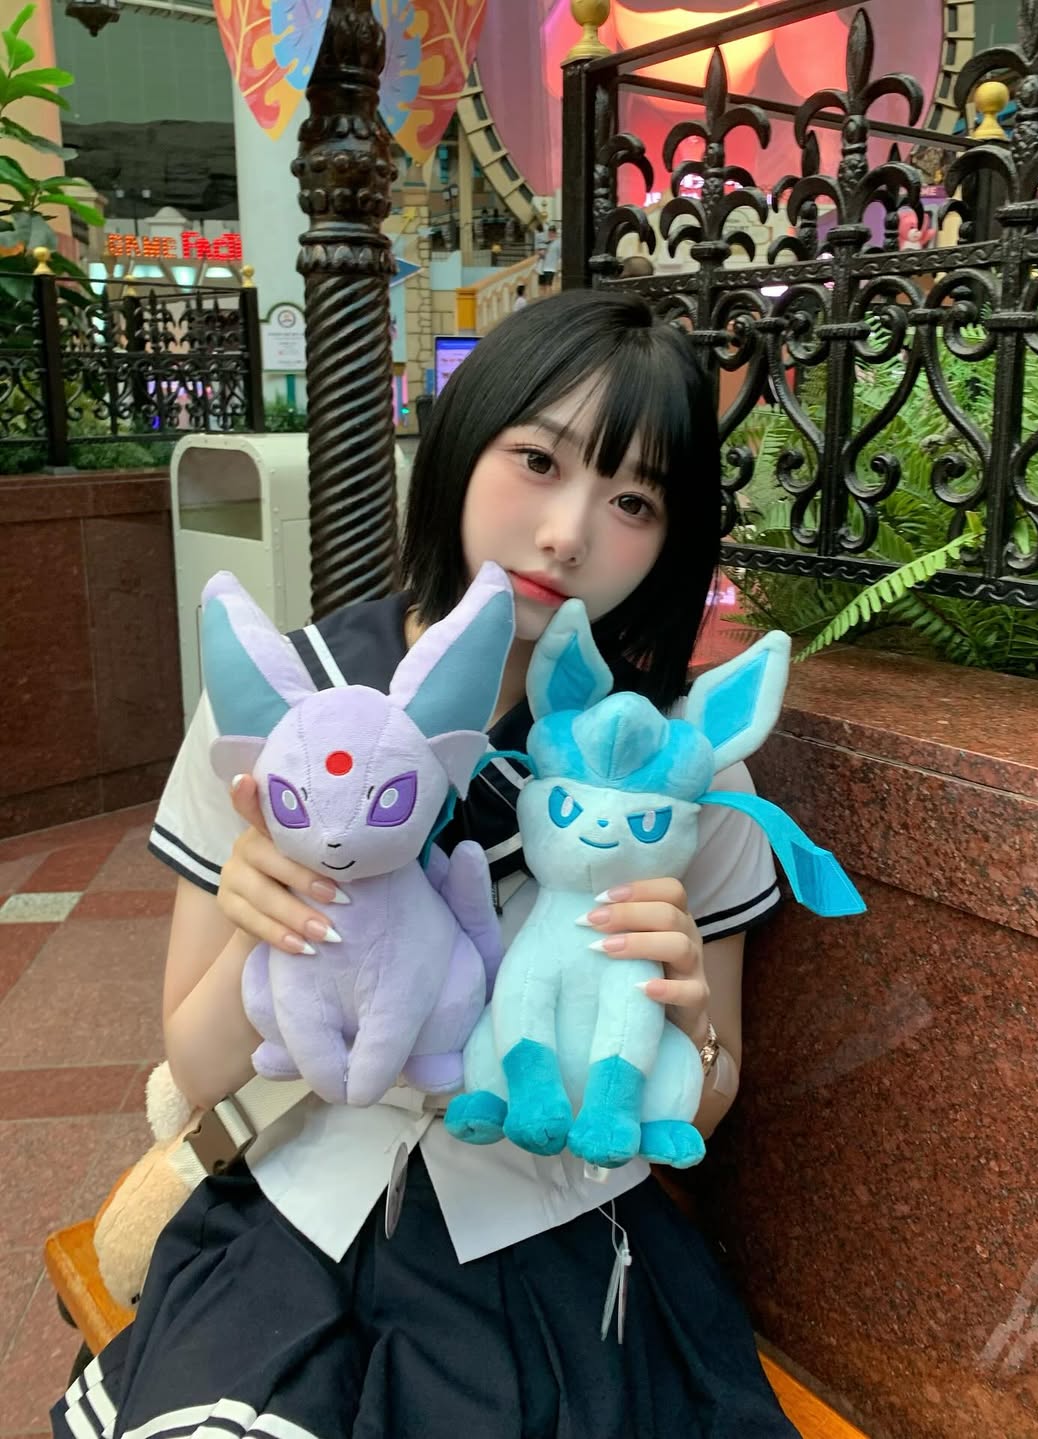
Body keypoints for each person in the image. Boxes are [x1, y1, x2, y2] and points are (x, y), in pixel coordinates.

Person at [54, 291, 796, 1439]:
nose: (568, 532)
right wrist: (262, 914)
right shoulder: (280, 709)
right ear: (460, 443)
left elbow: (712, 1090)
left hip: (544, 1235)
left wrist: (688, 1015)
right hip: (298, 1210)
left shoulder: (682, 770)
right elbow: (198, 1067)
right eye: (538, 460)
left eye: (633, 501)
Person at [538, 224, 561, 292]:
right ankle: (543, 298)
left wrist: (558, 268)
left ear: (555, 233)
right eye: (549, 232)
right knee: (541, 286)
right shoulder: (545, 242)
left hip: (551, 268)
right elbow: (540, 254)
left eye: (552, 232)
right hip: (542, 268)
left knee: (548, 286)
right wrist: (541, 253)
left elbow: (559, 256)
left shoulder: (558, 243)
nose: (550, 234)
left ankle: (549, 298)